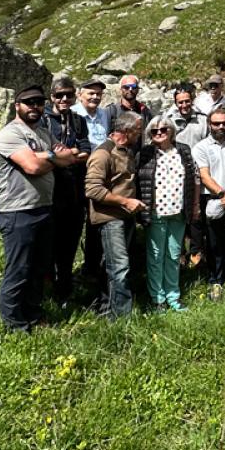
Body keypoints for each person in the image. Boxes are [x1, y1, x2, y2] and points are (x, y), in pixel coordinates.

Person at [0, 86, 79, 332]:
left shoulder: (42, 131)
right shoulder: (10, 134)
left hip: (43, 207)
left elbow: (70, 157)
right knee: (19, 269)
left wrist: (45, 155)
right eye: (28, 102)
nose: (35, 107)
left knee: (39, 268)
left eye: (39, 102)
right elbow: (31, 167)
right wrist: (52, 156)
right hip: (17, 210)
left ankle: (34, 314)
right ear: (17, 105)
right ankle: (14, 322)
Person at [84, 112, 147, 319]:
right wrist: (125, 202)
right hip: (110, 219)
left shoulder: (126, 151)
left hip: (125, 217)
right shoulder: (103, 154)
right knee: (120, 267)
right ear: (127, 131)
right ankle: (122, 318)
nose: (141, 134)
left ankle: (105, 308)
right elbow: (92, 190)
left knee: (110, 265)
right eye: (138, 130)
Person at [137, 117, 196, 312]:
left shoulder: (184, 150)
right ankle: (157, 298)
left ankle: (173, 295)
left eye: (163, 129)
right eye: (154, 131)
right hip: (156, 213)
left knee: (173, 255)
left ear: (171, 130)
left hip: (178, 211)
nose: (159, 133)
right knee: (155, 256)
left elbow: (193, 178)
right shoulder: (145, 153)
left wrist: (194, 205)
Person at [45, 77, 94, 305]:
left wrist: (63, 155)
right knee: (49, 243)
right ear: (51, 96)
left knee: (70, 241)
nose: (64, 99)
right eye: (59, 95)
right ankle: (48, 289)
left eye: (69, 95)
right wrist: (68, 156)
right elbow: (44, 153)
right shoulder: (44, 120)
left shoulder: (78, 120)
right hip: (50, 191)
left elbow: (85, 149)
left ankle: (64, 289)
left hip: (74, 191)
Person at [192, 107, 225, 299]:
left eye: (224, 123)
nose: (221, 126)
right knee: (214, 241)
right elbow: (204, 175)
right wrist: (223, 193)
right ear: (209, 124)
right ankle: (215, 280)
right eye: (216, 123)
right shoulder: (201, 148)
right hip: (213, 198)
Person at [73, 79, 114, 147]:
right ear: (79, 96)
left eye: (98, 94)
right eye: (91, 93)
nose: (95, 97)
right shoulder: (73, 114)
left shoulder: (104, 113)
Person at [166, 83, 207, 149]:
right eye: (180, 102)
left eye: (187, 101)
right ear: (176, 104)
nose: (184, 105)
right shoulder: (169, 122)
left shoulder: (203, 120)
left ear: (192, 101)